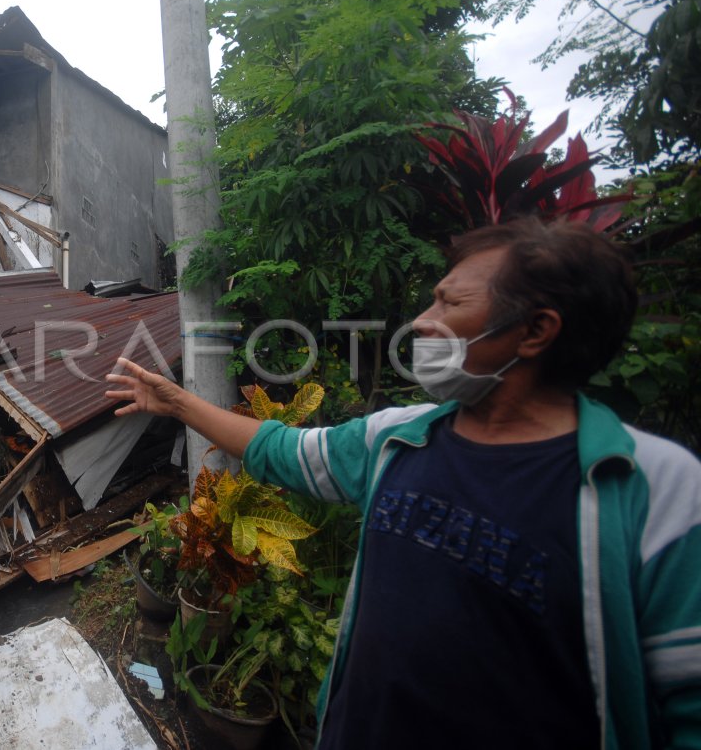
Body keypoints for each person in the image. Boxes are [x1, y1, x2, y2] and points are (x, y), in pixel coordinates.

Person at [104, 219, 701, 750]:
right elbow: (278, 449)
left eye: (450, 303)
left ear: (536, 330)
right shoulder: (397, 439)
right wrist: (177, 402)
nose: (423, 319)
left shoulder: (657, 491)